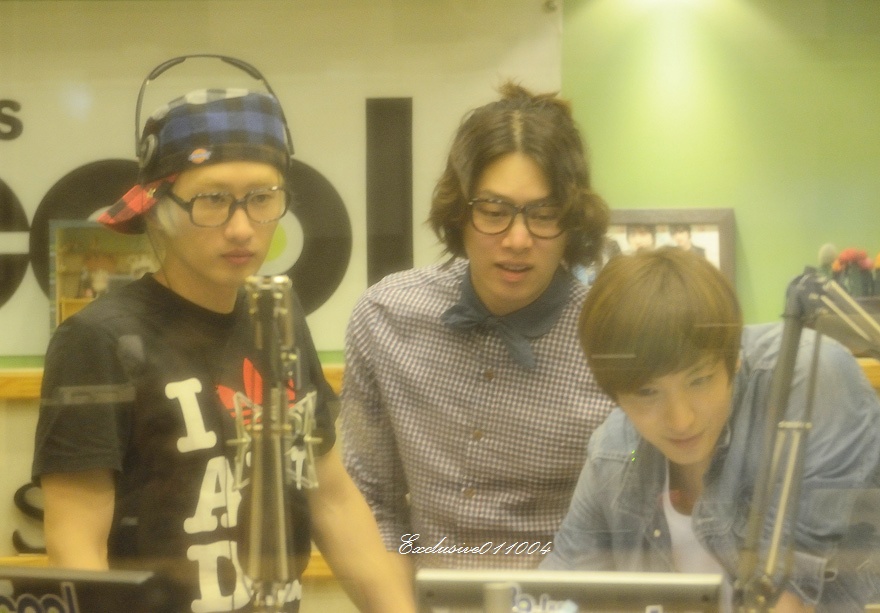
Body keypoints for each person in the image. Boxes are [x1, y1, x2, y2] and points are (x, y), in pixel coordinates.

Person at [32, 85, 414, 612]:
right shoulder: (98, 339)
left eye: (262, 198)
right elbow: (76, 548)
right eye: (211, 200)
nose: (241, 228)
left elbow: (330, 497)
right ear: (157, 209)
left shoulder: (277, 314)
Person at [542, 247, 880, 611]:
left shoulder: (810, 381)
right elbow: (555, 590)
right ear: (614, 394)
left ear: (733, 359)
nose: (681, 419)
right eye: (646, 392)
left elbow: (787, 596)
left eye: (699, 380)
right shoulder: (615, 452)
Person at [340, 81, 616, 570]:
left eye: (544, 215)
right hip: (424, 597)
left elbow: (637, 511)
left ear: (572, 220)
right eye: (494, 212)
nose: (518, 239)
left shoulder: (609, 336)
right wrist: (400, 603)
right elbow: (370, 499)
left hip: (566, 597)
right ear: (458, 212)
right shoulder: (385, 318)